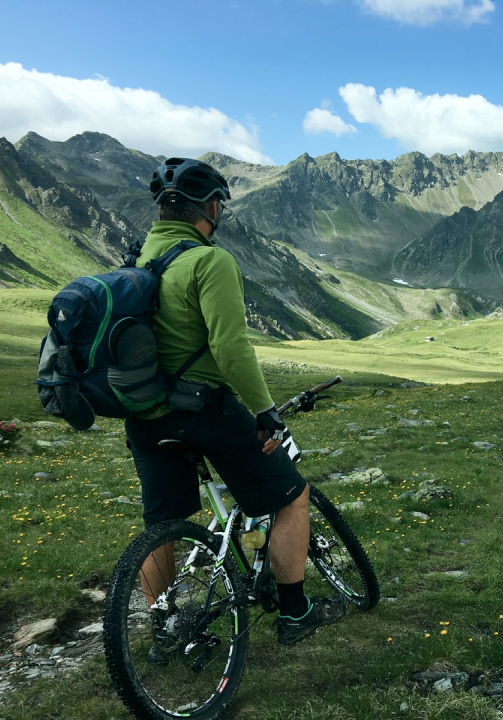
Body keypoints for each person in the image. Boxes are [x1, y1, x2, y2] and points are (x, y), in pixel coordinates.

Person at [124, 157, 346, 650]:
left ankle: (163, 631)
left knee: (162, 526)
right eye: (218, 202)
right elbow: (230, 348)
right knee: (292, 499)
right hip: (204, 411)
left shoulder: (137, 263)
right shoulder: (209, 260)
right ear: (210, 206)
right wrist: (266, 412)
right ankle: (295, 613)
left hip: (143, 416)